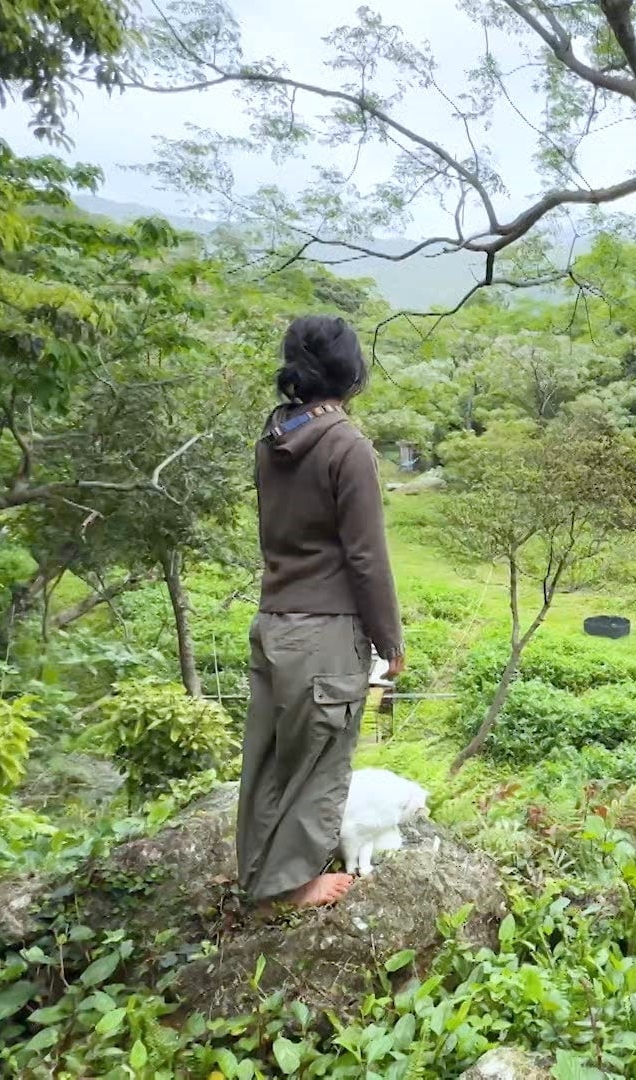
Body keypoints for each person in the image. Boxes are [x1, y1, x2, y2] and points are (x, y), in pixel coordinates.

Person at [236, 315, 404, 909]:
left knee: (268, 759)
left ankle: (259, 874)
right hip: (325, 632)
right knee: (322, 760)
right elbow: (366, 556)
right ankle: (293, 884)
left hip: (274, 621)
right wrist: (389, 640)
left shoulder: (273, 439)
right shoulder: (346, 445)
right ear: (353, 373)